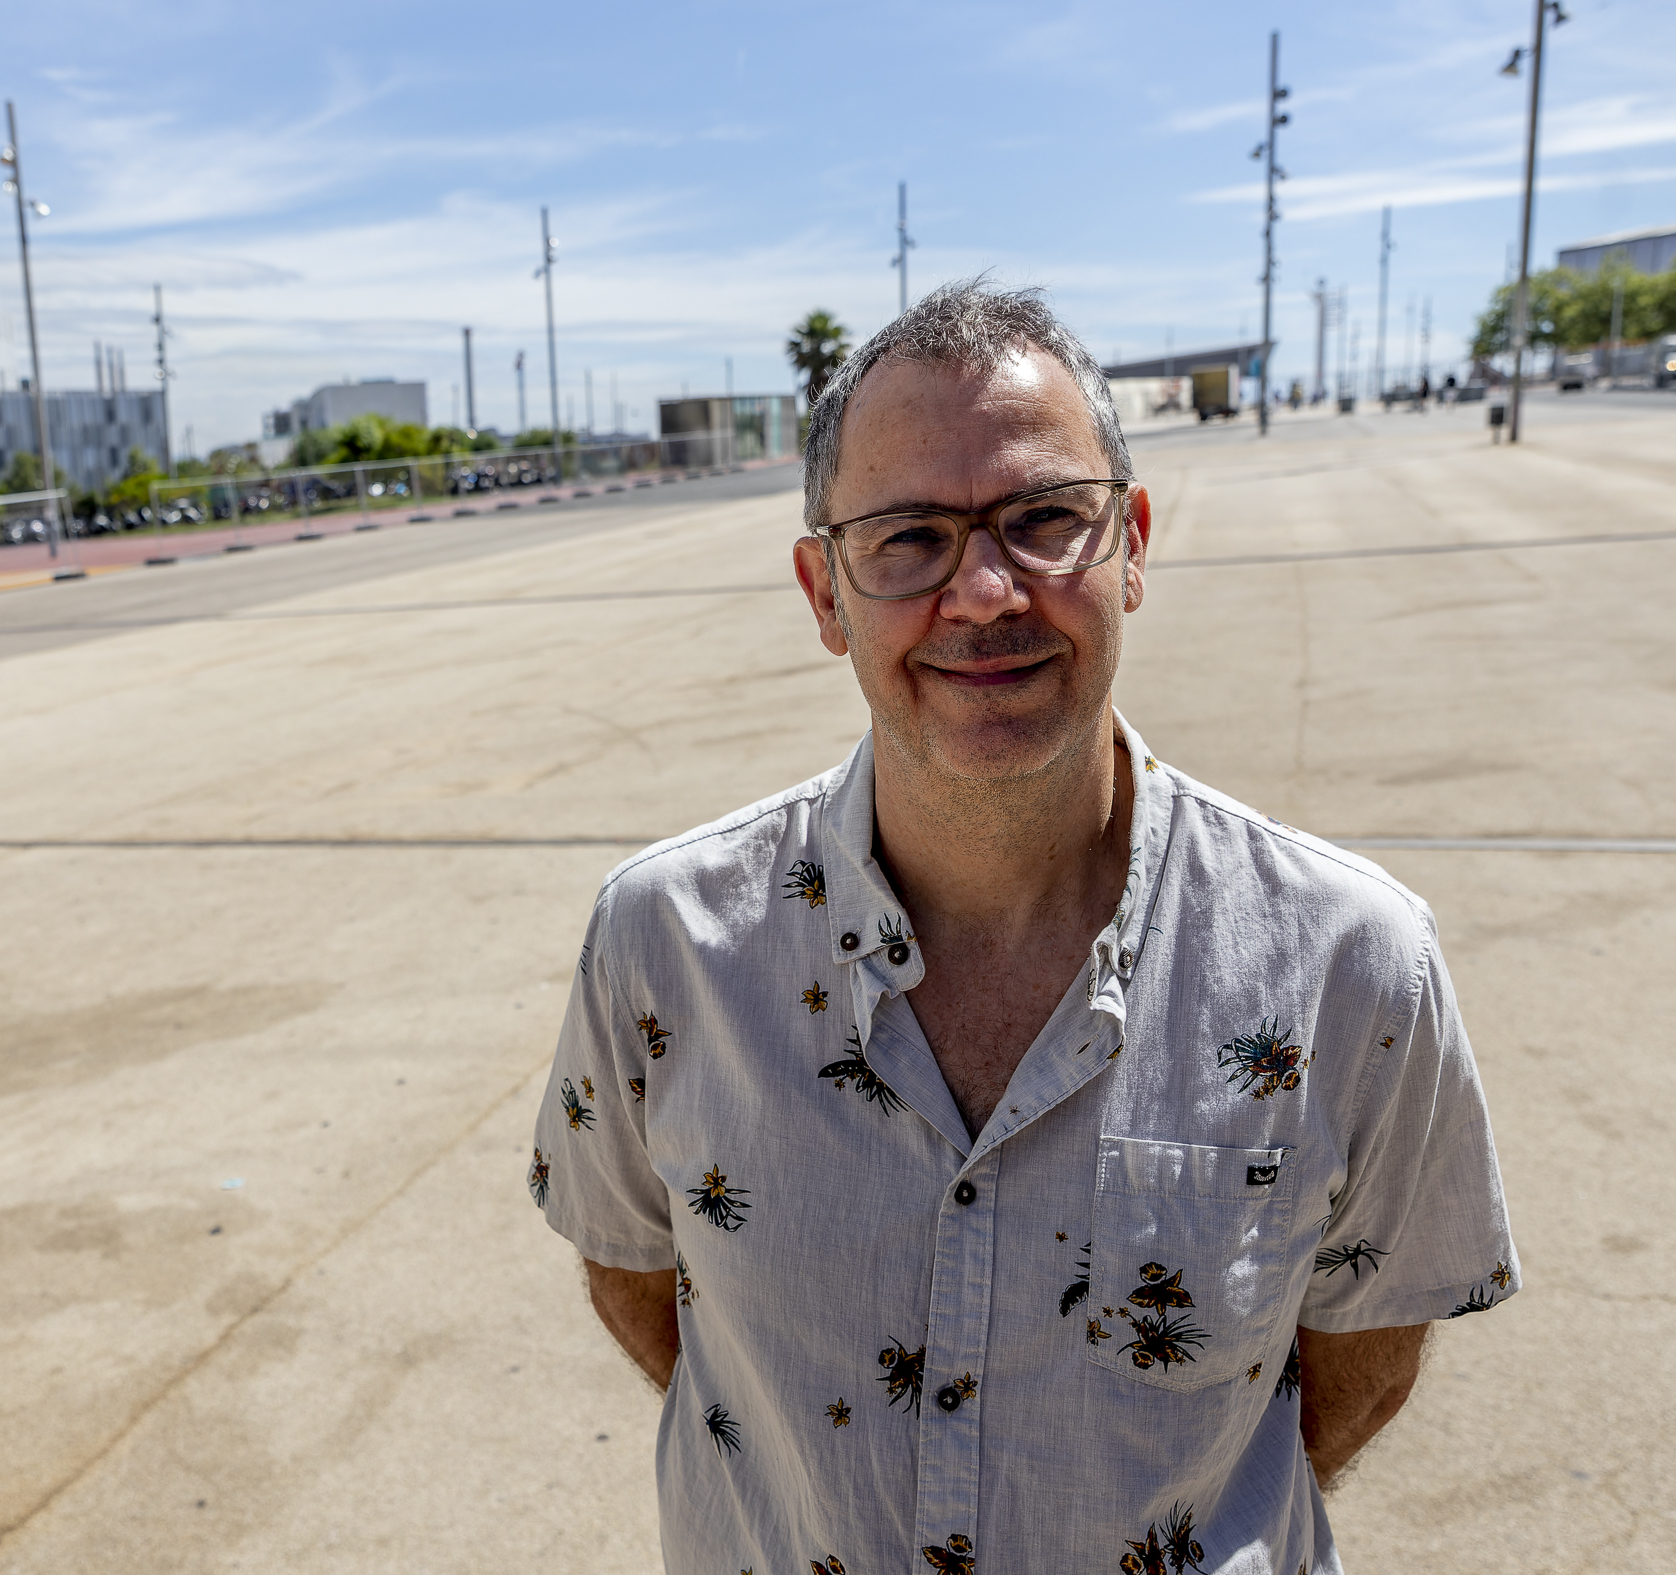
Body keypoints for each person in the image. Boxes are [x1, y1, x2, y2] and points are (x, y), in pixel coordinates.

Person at [530, 280, 1517, 1575]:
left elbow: (1364, 1349)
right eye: (909, 538)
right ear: (825, 592)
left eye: (1046, 519)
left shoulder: (1348, 965)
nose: (987, 590)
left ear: (1135, 546)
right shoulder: (666, 948)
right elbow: (634, 1272)